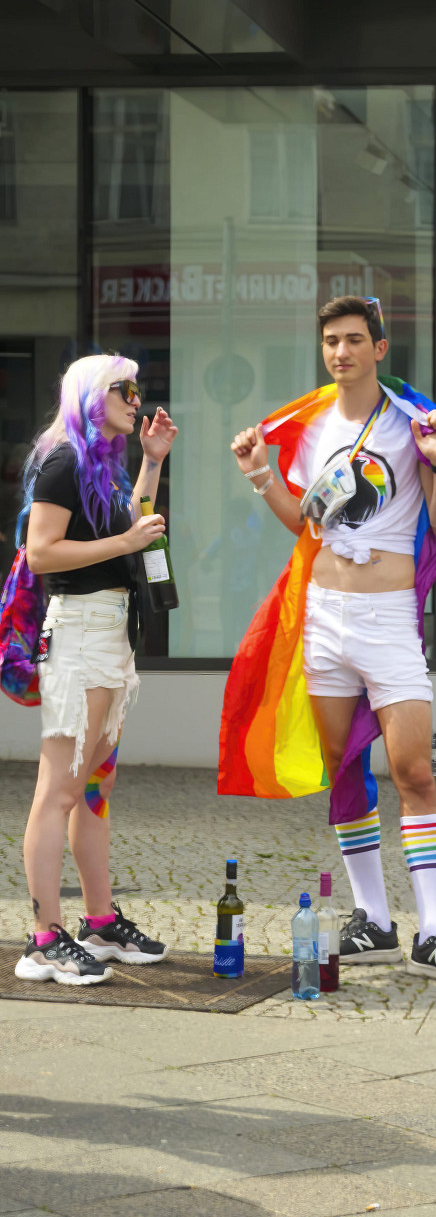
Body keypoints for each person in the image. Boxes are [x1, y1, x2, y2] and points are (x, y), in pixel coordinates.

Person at [219, 295, 436, 985]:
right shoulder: (311, 429)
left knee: (413, 772)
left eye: (353, 340)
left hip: (387, 618)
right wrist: (259, 474)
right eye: (331, 341)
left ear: (378, 348)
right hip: (324, 616)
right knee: (344, 767)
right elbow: (305, 523)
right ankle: (373, 920)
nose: (340, 352)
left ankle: (435, 930)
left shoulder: (411, 423)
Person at [16, 355, 177, 984]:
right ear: (89, 395)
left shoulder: (103, 465)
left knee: (94, 789)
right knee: (58, 790)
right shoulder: (62, 460)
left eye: (137, 389)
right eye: (123, 389)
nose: (136, 399)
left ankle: (101, 921)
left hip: (111, 637)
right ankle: (43, 939)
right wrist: (125, 543)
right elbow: (41, 552)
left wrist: (152, 462)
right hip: (79, 636)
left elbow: (134, 525)